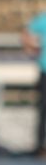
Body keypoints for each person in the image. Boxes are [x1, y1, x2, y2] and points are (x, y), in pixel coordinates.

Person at [22, 11, 46, 157]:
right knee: (43, 109)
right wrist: (32, 48)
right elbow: (25, 35)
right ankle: (40, 146)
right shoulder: (42, 20)